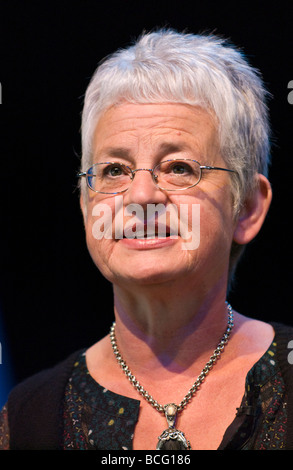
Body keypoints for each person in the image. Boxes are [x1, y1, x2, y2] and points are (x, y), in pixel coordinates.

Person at [1, 28, 293, 451]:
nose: (140, 196)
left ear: (246, 207)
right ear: (86, 205)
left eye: (178, 167)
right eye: (114, 170)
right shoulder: (30, 418)